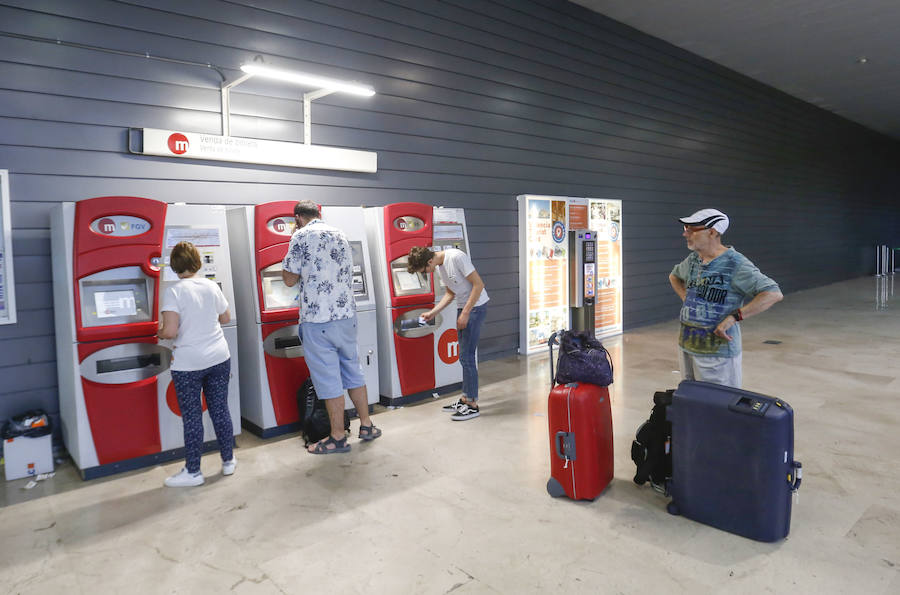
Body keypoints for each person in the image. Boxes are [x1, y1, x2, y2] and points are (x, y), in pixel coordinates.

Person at [281, 200, 381, 454]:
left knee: (328, 379)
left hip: (318, 320)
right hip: (346, 316)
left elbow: (289, 279)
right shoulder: (340, 233)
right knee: (353, 369)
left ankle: (337, 437)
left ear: (298, 218)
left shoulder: (300, 236)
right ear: (318, 214)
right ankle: (367, 425)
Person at [668, 209, 783, 388]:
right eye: (685, 228)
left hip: (717, 355)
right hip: (686, 347)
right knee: (691, 404)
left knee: (716, 408)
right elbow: (674, 276)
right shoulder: (693, 260)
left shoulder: (735, 263)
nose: (685, 233)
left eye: (691, 229)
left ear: (712, 232)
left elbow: (773, 293)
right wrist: (686, 298)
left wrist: (734, 317)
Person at [158, 241, 235, 487]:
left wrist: (157, 332)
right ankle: (228, 461)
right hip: (219, 357)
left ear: (174, 266)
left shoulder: (173, 291)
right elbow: (225, 317)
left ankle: (193, 472)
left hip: (189, 363)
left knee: (192, 417)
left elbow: (170, 332)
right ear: (197, 262)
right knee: (220, 409)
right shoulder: (211, 286)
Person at [407, 245, 489, 421]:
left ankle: (473, 405)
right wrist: (433, 313)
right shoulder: (440, 266)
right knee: (463, 357)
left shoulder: (456, 257)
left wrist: (466, 313)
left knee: (467, 357)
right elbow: (451, 293)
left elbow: (478, 284)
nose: (426, 273)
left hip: (475, 308)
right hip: (464, 308)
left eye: (424, 270)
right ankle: (465, 398)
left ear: (430, 261)